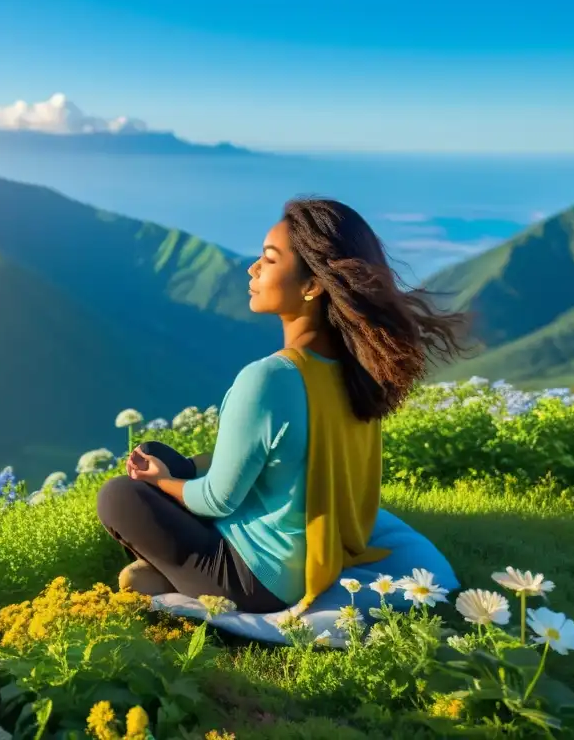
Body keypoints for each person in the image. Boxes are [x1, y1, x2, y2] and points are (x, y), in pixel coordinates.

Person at [96, 199, 469, 613]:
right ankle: (169, 570)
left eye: (268, 261)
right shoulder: (355, 369)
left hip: (260, 579)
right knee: (157, 453)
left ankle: (173, 580)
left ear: (312, 286)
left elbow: (218, 501)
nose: (252, 269)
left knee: (119, 496)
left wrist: (164, 483)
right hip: (312, 546)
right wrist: (171, 472)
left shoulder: (269, 379)